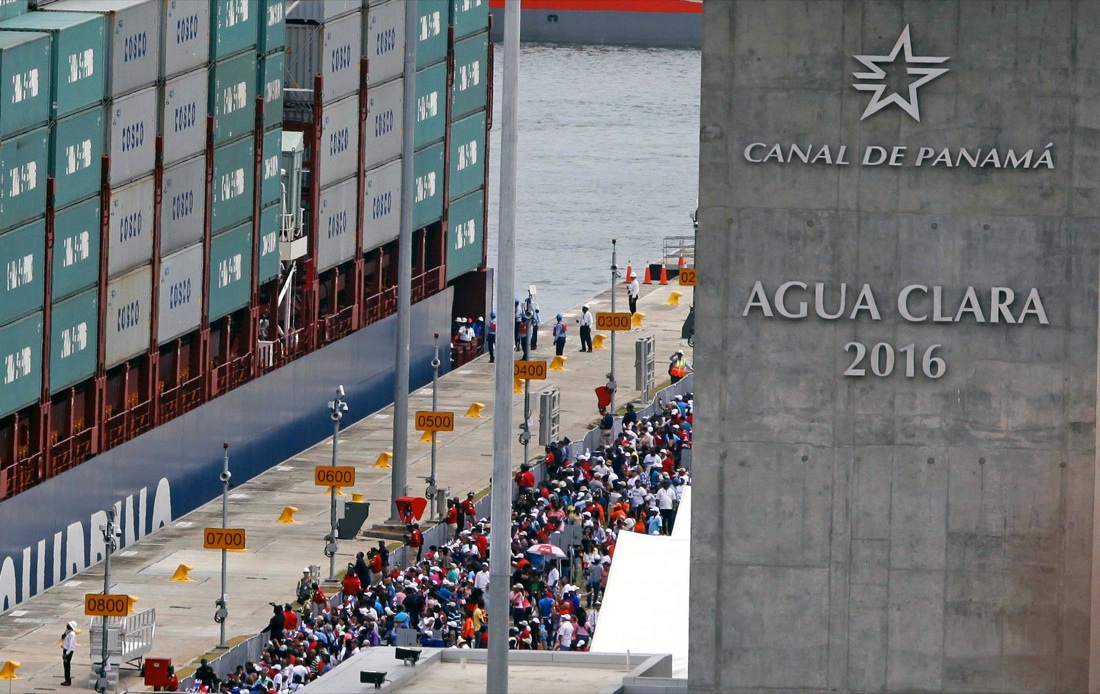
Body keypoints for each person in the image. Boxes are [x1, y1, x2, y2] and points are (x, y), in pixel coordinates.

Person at [60, 620, 76, 686]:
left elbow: (71, 645)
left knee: (67, 665)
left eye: (68, 625)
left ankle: (68, 681)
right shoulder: (68, 632)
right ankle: (67, 679)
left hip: (68, 651)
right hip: (66, 649)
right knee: (65, 665)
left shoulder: (72, 634)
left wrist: (66, 654)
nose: (67, 625)